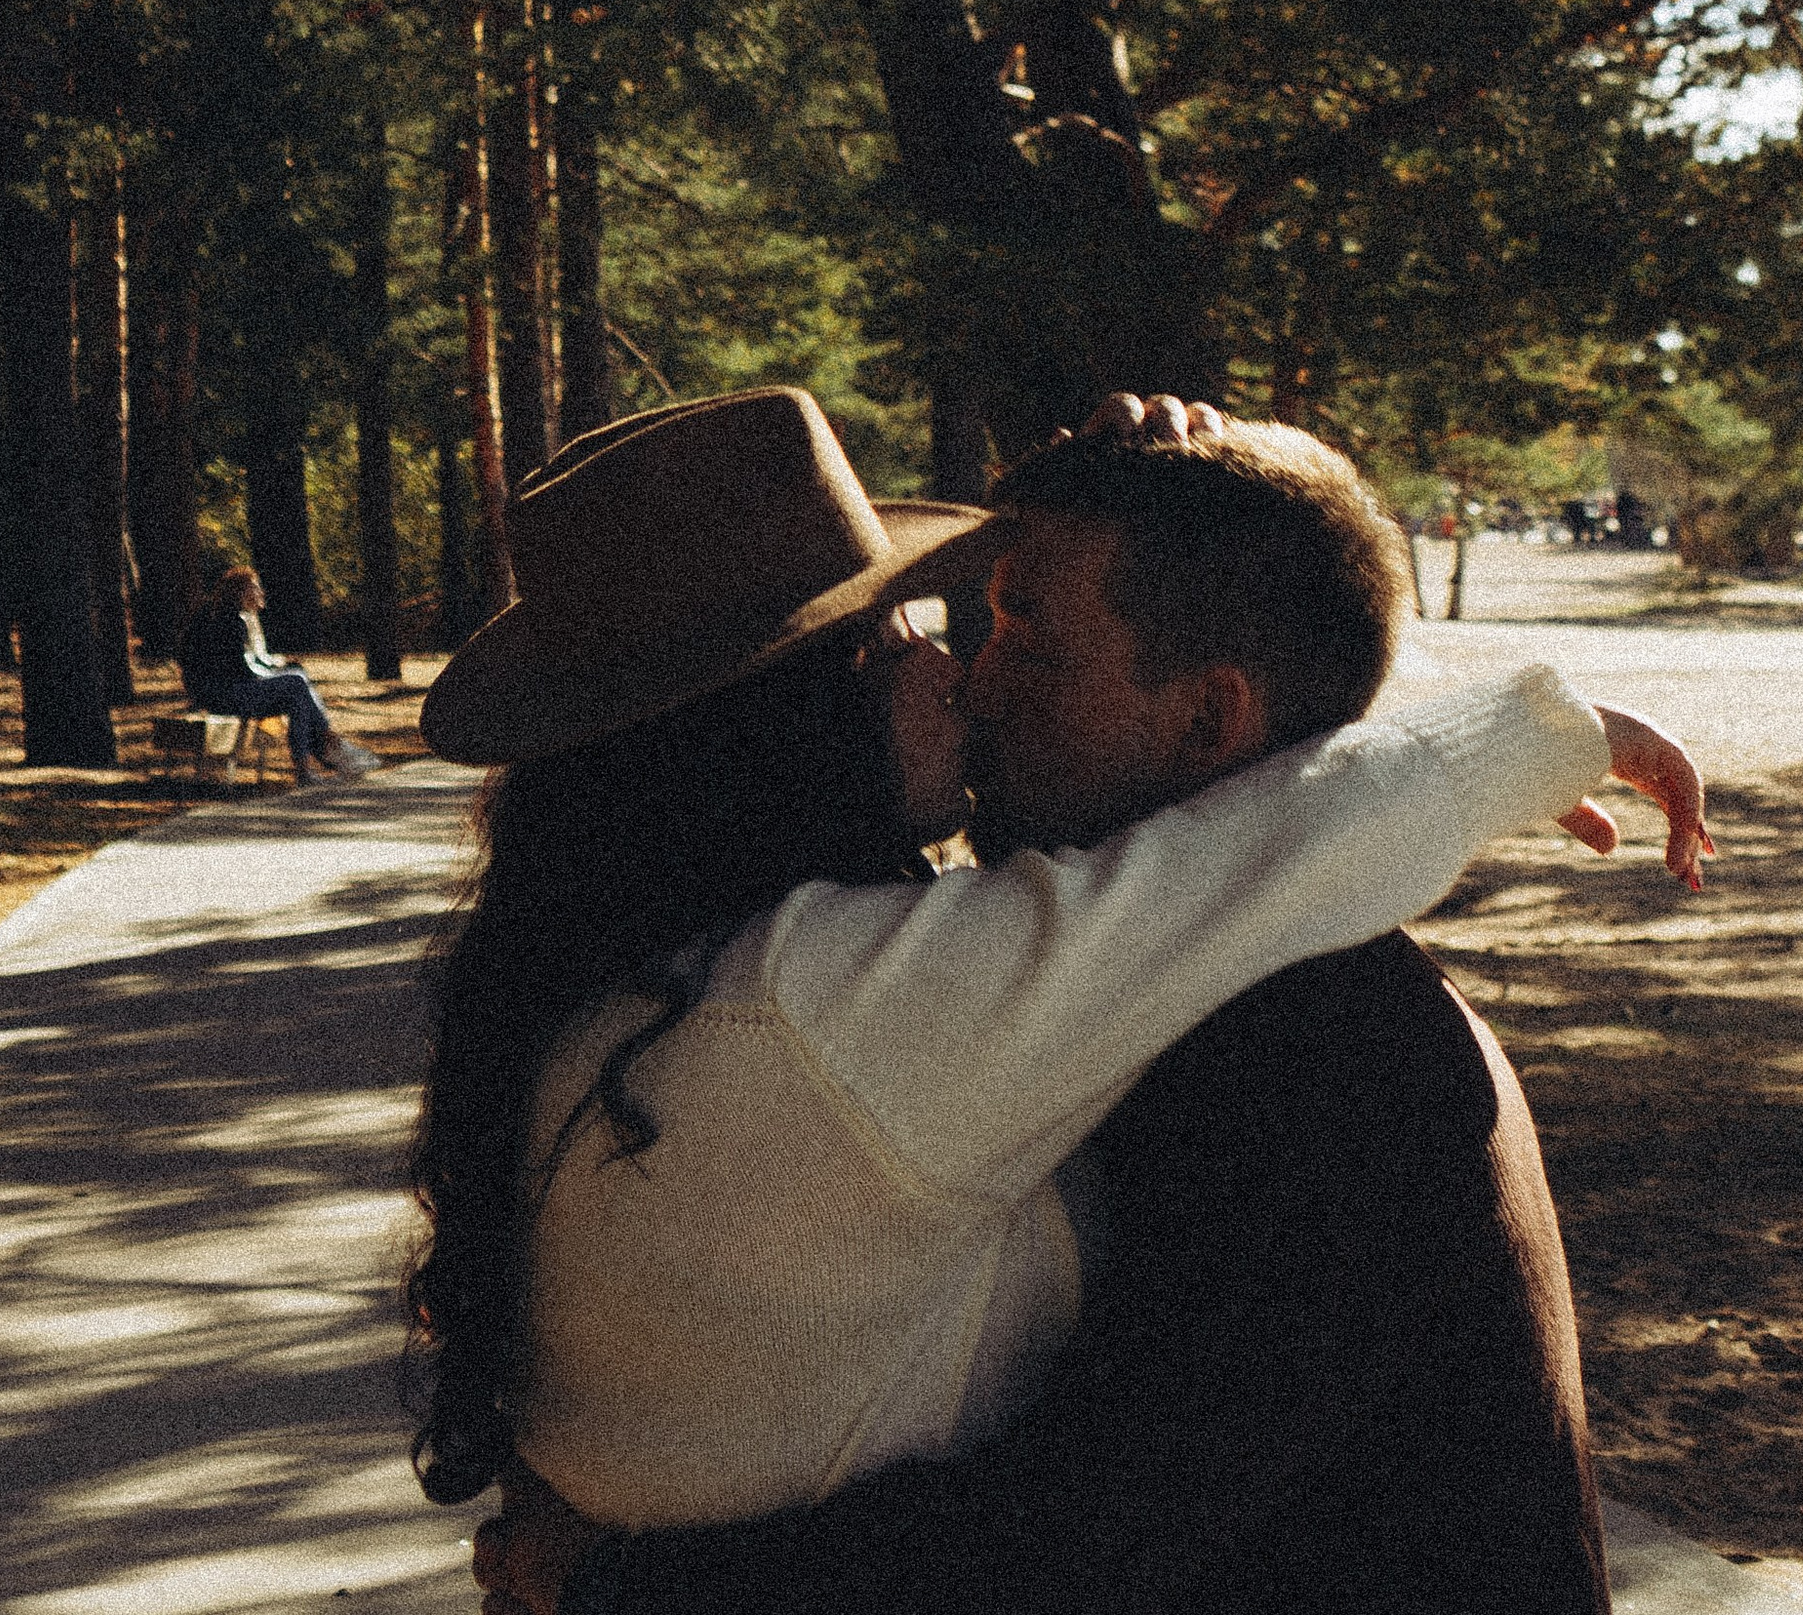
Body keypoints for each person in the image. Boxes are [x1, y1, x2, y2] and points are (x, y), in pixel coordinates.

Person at [450, 393, 1709, 1615]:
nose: (961, 677)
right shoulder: (846, 1001)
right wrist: (1529, 727)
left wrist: (610, 1582)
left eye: (1020, 631)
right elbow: (1284, 796)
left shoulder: (1310, 1042)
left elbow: (1080, 1538)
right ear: (771, 735)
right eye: (901, 638)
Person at [179, 564, 380, 782]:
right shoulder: (230, 621)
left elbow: (243, 665)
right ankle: (327, 746)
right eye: (255, 588)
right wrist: (278, 674)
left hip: (222, 692)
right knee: (296, 683)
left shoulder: (226, 616)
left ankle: (310, 766)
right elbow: (242, 670)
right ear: (241, 593)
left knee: (297, 697)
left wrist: (278, 670)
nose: (261, 593)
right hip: (227, 696)